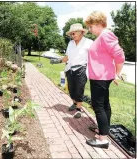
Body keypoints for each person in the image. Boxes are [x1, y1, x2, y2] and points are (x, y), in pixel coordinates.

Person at [84, 11, 125, 149]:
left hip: (100, 77)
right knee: (104, 104)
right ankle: (104, 130)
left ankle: (102, 139)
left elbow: (119, 55)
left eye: (91, 26)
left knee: (98, 106)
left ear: (99, 24)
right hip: (101, 76)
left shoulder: (105, 35)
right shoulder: (101, 37)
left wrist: (117, 73)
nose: (89, 29)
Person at [51, 23, 93, 118]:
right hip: (70, 68)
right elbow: (67, 57)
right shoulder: (70, 43)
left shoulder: (89, 43)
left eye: (74, 33)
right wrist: (57, 61)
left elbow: (95, 56)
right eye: (71, 34)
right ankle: (74, 103)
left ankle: (78, 109)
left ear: (81, 32)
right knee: (71, 89)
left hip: (82, 68)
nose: (72, 35)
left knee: (79, 88)